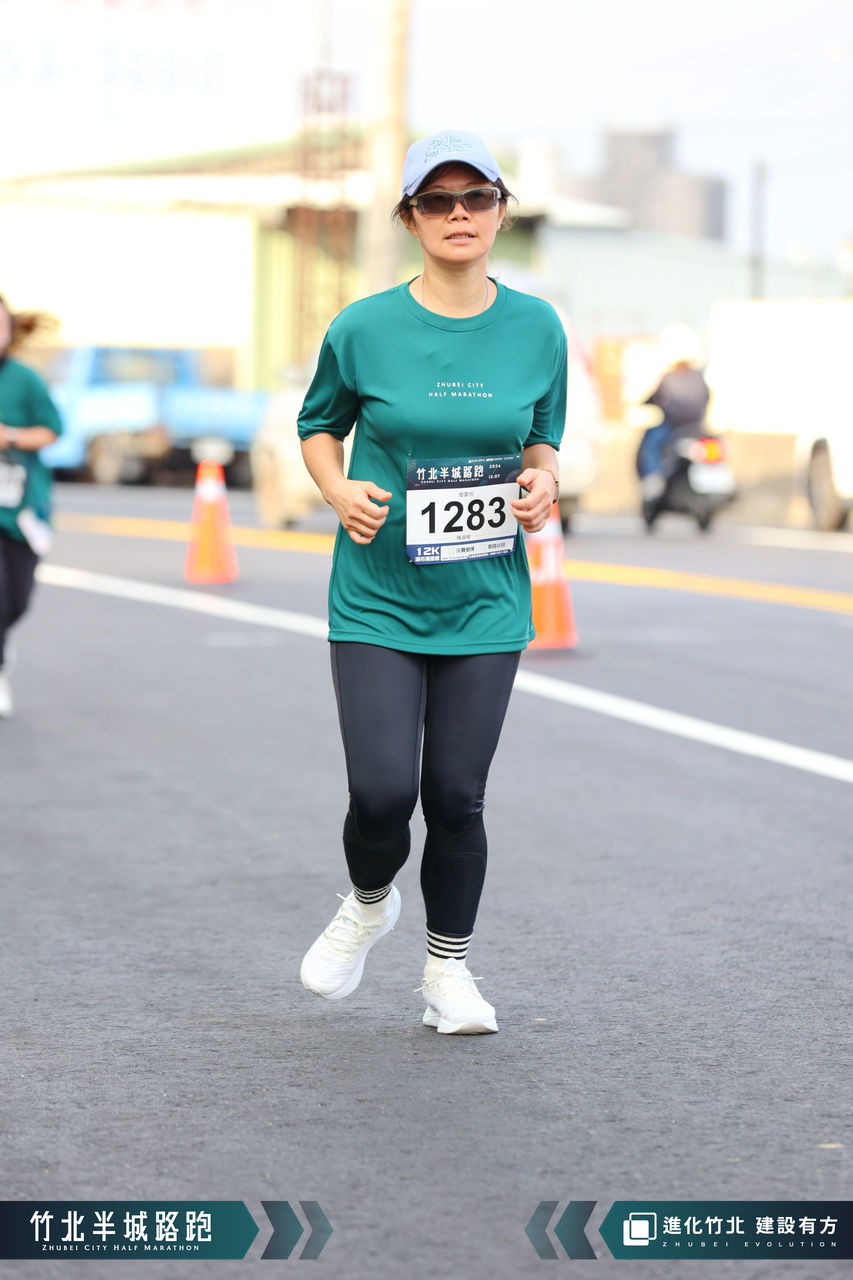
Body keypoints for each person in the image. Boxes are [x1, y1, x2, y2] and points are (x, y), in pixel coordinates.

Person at [296, 131, 567, 1034]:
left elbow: (542, 438)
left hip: (485, 599)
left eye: (476, 198)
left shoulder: (537, 327)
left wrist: (542, 481)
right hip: (376, 594)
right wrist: (337, 489)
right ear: (409, 218)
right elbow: (319, 424)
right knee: (382, 794)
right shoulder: (362, 327)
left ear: (500, 213)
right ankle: (368, 901)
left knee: (455, 796)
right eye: (437, 200)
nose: (459, 214)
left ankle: (447, 971)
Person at [0, 295, 63, 719]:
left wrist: (10, 437)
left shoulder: (24, 380)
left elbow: (53, 430)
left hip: (20, 508)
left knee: (17, 599)